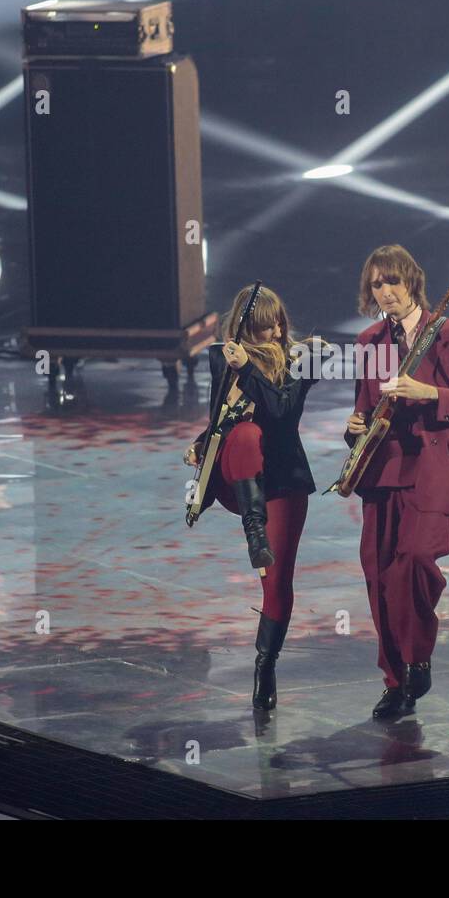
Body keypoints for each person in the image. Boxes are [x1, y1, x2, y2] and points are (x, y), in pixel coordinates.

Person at [342, 245, 449, 718]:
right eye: (377, 285)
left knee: (414, 562)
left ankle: (418, 656)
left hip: (432, 469)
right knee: (379, 574)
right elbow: (364, 408)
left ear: (412, 281)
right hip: (382, 470)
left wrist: (429, 393)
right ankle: (394, 679)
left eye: (393, 282)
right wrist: (354, 429)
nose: (385, 293)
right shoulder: (368, 341)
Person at [185, 285, 316, 711]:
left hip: (281, 482)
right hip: (238, 478)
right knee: (244, 434)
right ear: (243, 329)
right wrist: (203, 441)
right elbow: (223, 417)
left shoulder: (301, 359)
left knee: (276, 581)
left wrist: (252, 372)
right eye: (261, 329)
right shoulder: (221, 359)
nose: (273, 334)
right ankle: (253, 531)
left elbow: (281, 414)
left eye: (276, 325)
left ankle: (266, 664)